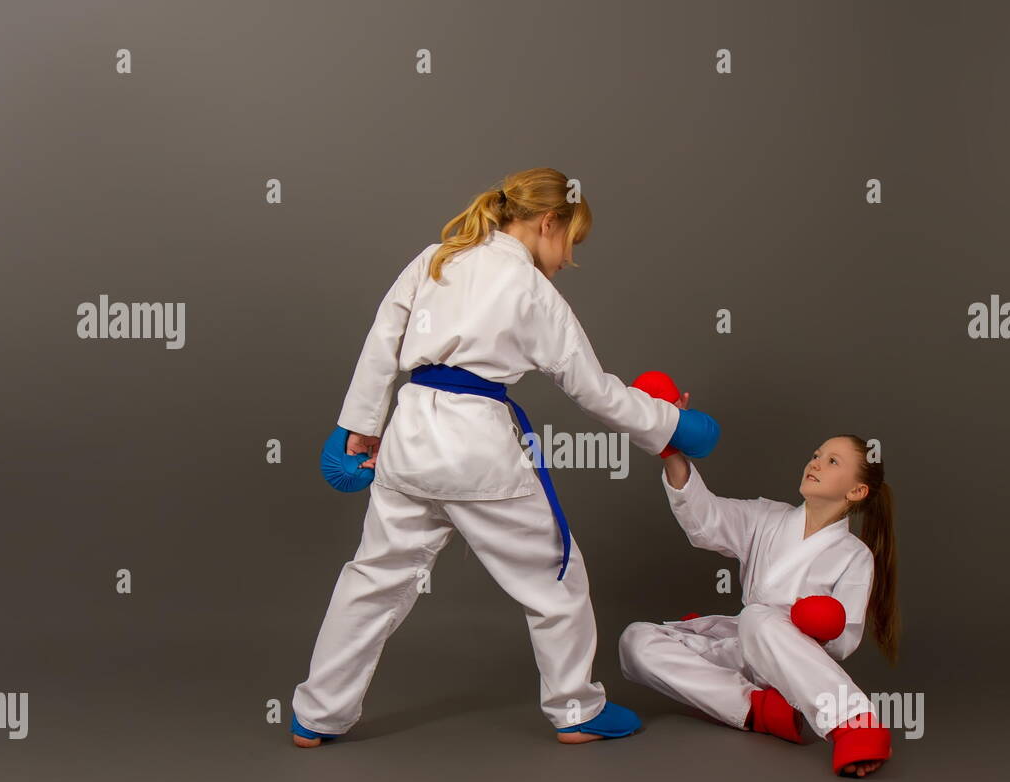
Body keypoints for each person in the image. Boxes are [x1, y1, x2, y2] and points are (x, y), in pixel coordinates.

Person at [291, 167, 720, 747]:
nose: (569, 259)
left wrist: (358, 428)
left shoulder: (438, 258)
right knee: (556, 579)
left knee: (373, 579)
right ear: (549, 222)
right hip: (477, 448)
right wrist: (674, 425)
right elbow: (593, 389)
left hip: (409, 437)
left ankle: (317, 714)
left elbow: (382, 341)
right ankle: (575, 709)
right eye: (572, 241)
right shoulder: (533, 291)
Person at [619, 427, 900, 777]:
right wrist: (672, 453)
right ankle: (759, 710)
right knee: (635, 642)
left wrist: (824, 627)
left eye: (832, 461)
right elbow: (706, 519)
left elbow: (844, 643)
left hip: (794, 664)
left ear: (857, 491)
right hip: (741, 651)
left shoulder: (854, 555)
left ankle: (854, 722)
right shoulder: (766, 517)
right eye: (815, 455)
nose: (815, 464)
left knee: (758, 618)